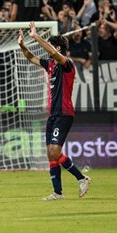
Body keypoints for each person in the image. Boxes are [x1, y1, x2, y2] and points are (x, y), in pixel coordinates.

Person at [18, 22, 91, 201]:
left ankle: (82, 178)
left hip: (64, 113)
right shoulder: (50, 65)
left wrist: (35, 36)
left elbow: (52, 52)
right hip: (53, 114)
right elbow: (31, 58)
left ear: (57, 48)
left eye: (51, 47)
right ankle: (57, 193)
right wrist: (22, 45)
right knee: (51, 153)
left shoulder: (68, 64)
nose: (47, 51)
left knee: (55, 152)